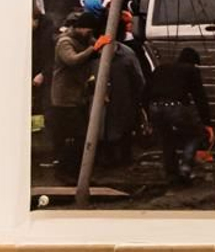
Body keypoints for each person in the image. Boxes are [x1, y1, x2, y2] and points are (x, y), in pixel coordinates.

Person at [49, 10, 109, 183]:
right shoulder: (64, 42)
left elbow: (94, 52)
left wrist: (99, 45)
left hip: (78, 96)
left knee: (81, 137)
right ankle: (64, 172)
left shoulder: (84, 39)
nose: (90, 35)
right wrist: (94, 48)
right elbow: (73, 60)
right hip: (64, 99)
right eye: (88, 31)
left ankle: (77, 173)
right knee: (74, 136)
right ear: (79, 28)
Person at [145, 47, 211, 185]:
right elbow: (200, 97)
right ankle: (185, 167)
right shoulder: (191, 70)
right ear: (193, 62)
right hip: (175, 106)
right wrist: (207, 123)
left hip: (154, 106)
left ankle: (171, 173)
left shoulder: (160, 69)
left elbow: (145, 91)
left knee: (166, 139)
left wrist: (148, 115)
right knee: (196, 134)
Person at [100, 10, 145, 166]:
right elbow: (139, 78)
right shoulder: (126, 54)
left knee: (116, 128)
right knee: (118, 128)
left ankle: (117, 158)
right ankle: (117, 158)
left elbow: (138, 79)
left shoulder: (124, 54)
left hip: (120, 99)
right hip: (119, 99)